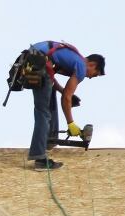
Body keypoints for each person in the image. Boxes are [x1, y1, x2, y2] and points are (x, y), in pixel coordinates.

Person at [27, 41, 105, 171]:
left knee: (45, 105)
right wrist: (71, 123)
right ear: (92, 64)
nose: (91, 77)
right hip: (38, 62)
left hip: (33, 59)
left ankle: (48, 139)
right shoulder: (80, 65)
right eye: (94, 74)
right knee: (43, 113)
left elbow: (50, 78)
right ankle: (40, 158)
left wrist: (64, 92)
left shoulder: (72, 58)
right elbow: (66, 99)